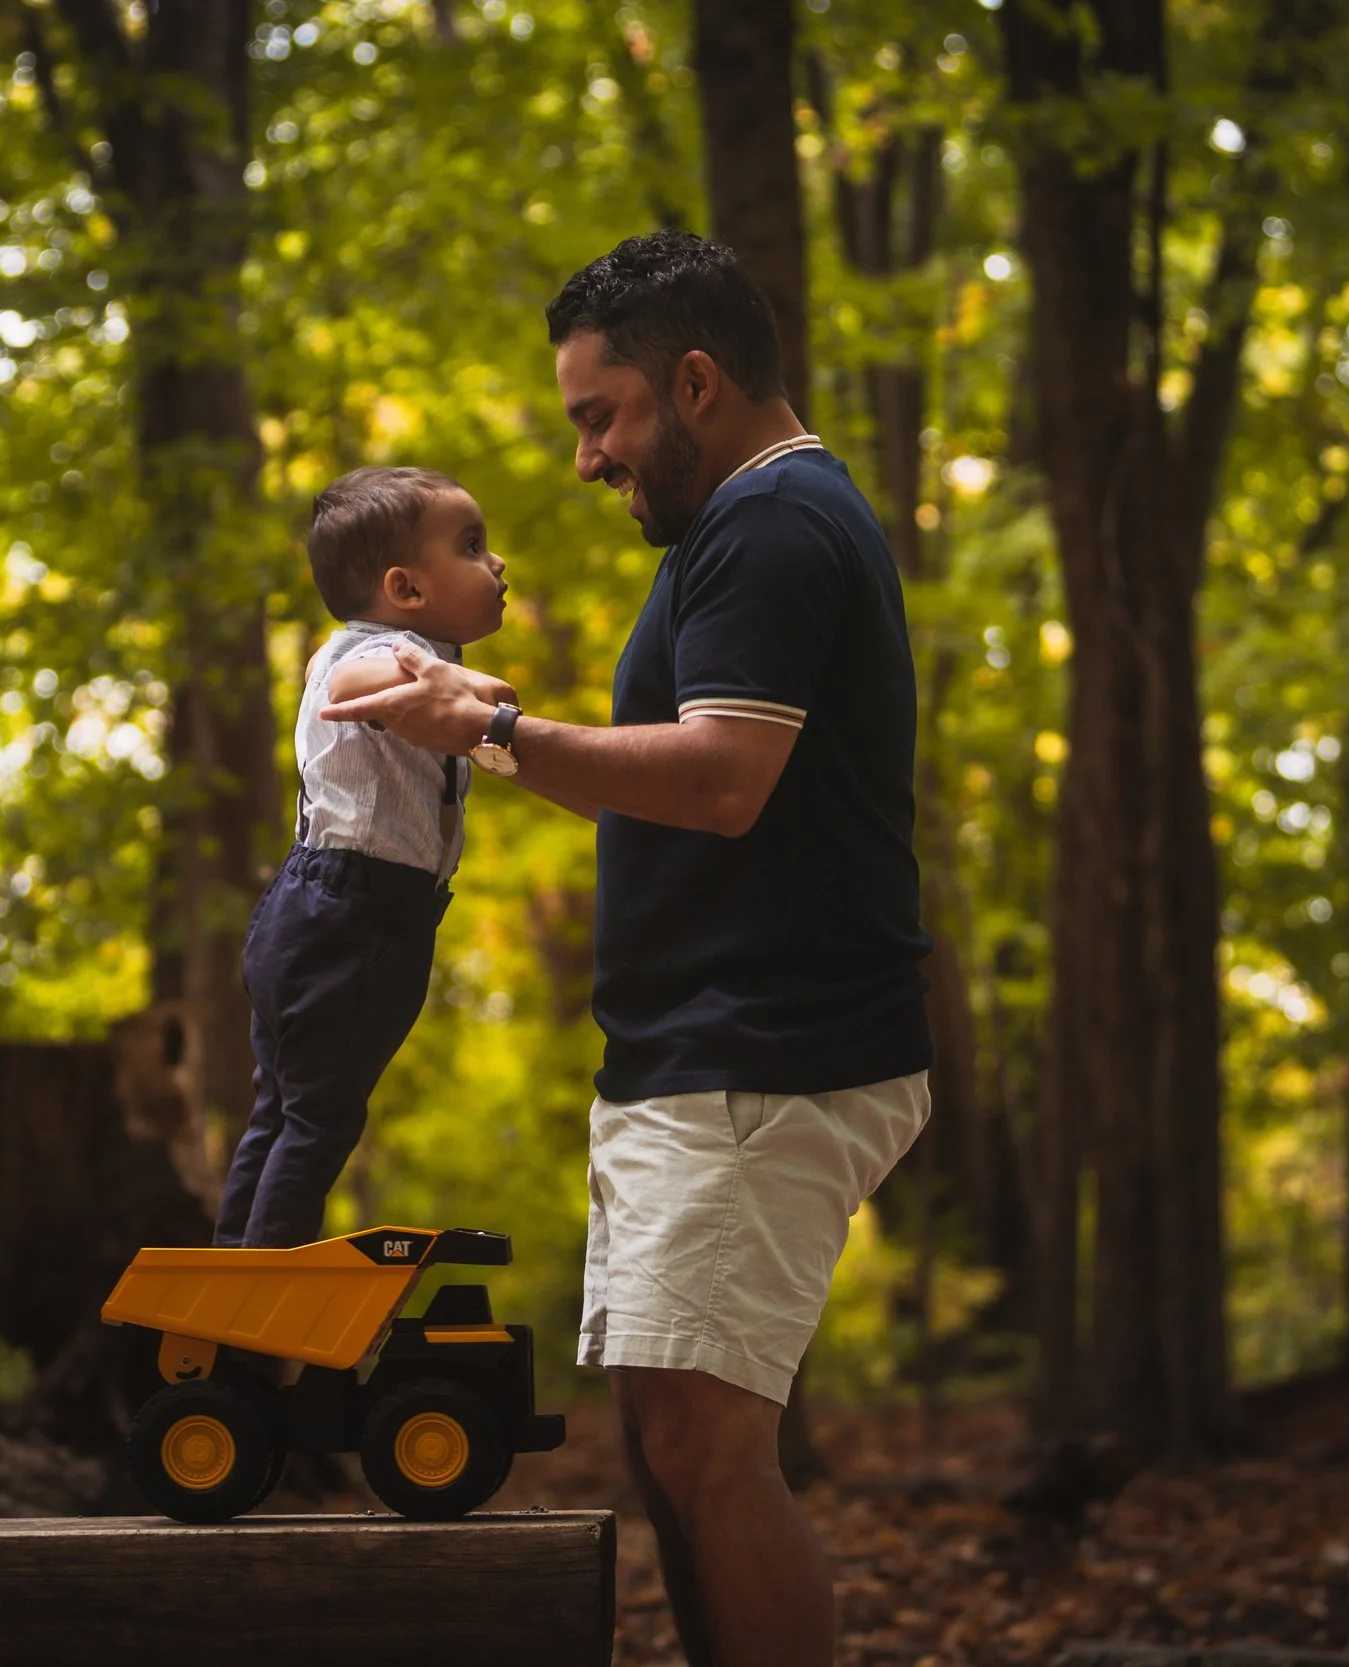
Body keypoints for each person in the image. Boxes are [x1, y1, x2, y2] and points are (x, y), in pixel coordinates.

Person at [320, 231, 933, 1667]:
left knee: (710, 1451)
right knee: (674, 1445)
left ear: (698, 382)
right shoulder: (749, 529)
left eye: (603, 415)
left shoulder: (772, 527)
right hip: (709, 1059)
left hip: (766, 1057)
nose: (589, 458)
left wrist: (497, 734)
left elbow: (721, 778)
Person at [212, 465, 516, 1249]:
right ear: (406, 589)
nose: (498, 563)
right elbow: (363, 678)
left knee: (284, 1109)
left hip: (332, 909)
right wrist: (457, 683)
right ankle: (252, 1301)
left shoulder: (405, 650)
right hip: (349, 913)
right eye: (473, 546)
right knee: (317, 1119)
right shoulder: (369, 652)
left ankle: (231, 1271)